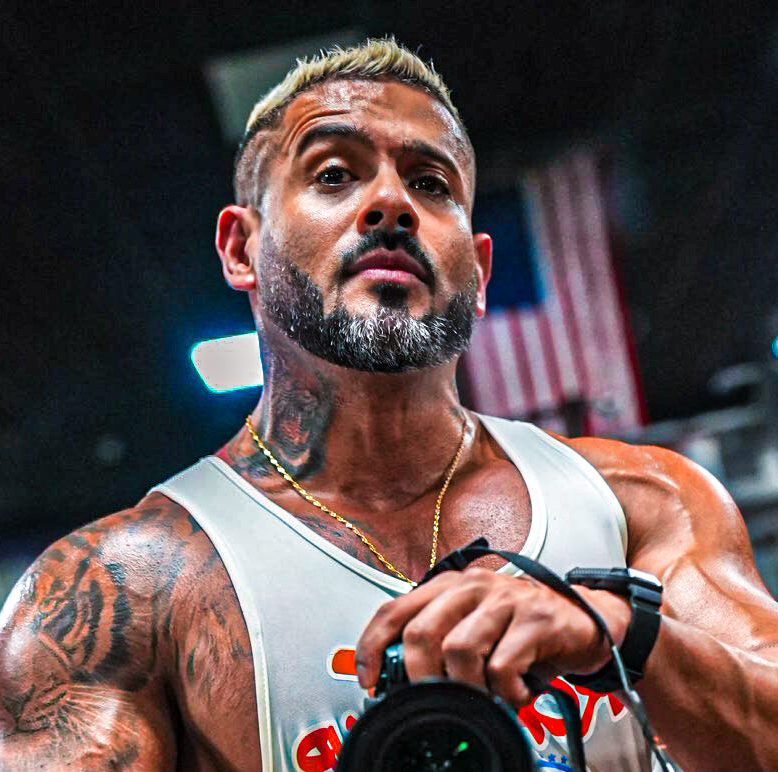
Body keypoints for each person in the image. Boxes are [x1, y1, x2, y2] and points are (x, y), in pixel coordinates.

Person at [1, 38, 777, 772]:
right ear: (241, 249)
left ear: (478, 272)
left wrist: (622, 629)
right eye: (334, 174)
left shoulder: (641, 499)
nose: (391, 202)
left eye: (431, 184)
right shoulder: (115, 590)